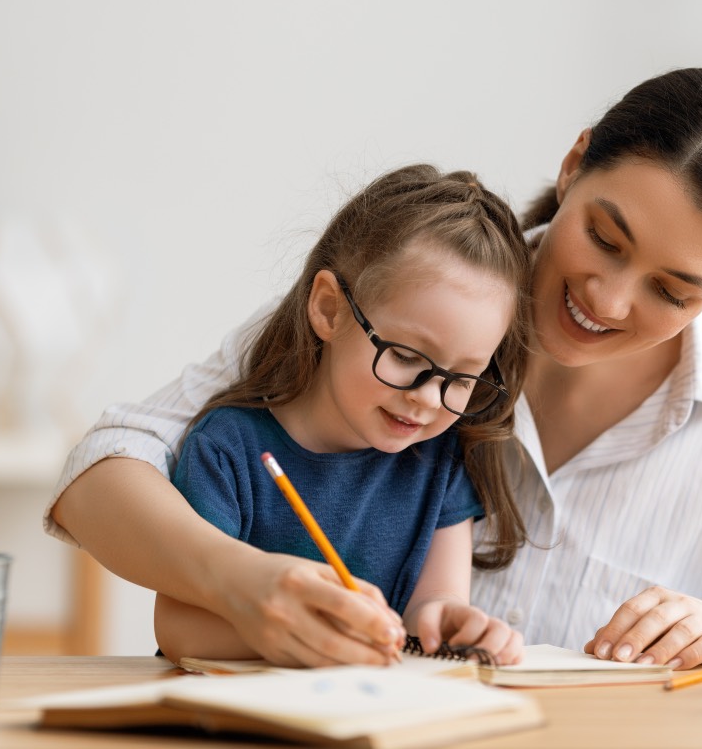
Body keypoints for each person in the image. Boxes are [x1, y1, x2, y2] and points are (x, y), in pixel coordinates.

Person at [46, 66, 702, 670]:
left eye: (671, 290)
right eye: (605, 239)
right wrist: (238, 581)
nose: (608, 300)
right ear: (575, 164)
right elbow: (104, 467)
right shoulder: (404, 302)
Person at [148, 164, 531, 666]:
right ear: (329, 308)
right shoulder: (228, 450)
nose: (430, 399)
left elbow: (432, 607)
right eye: (408, 357)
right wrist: (316, 637)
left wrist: (452, 623)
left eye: (461, 379)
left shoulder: (440, 457)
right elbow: (180, 629)